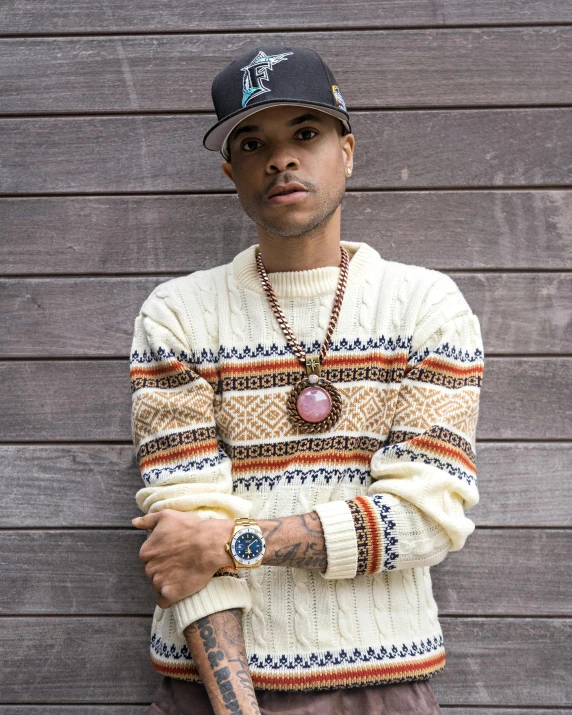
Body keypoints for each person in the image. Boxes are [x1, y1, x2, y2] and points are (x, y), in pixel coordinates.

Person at [130, 45, 484, 715]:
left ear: (346, 150)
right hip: (213, 688)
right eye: (255, 142)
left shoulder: (427, 308)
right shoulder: (177, 315)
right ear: (231, 170)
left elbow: (426, 518)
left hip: (384, 684)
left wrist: (238, 540)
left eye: (306, 134)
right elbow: (183, 538)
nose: (281, 158)